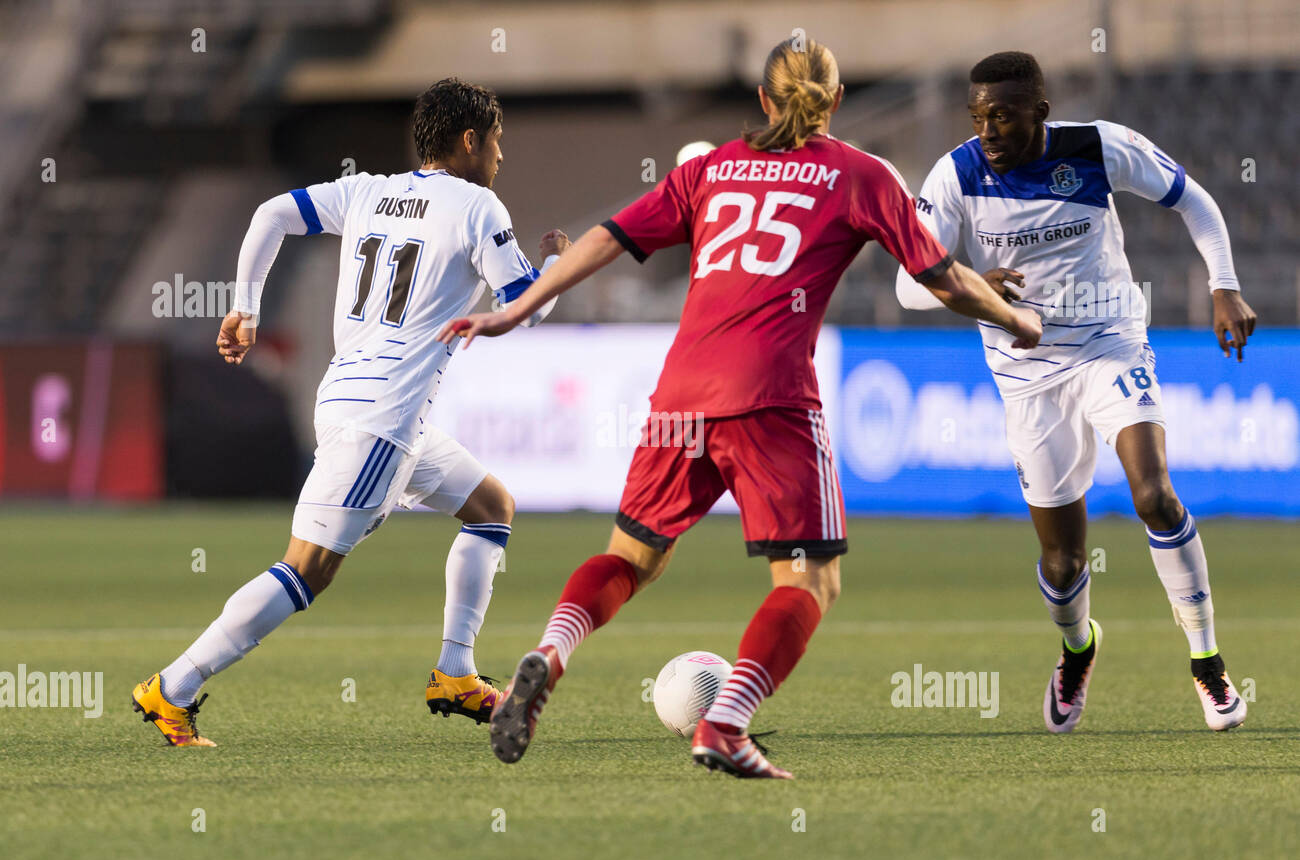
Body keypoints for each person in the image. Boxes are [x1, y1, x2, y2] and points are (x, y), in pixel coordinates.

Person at [437, 39, 1042, 778]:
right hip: (772, 397)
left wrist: (516, 309)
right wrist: (1019, 322)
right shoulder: (860, 175)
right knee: (809, 580)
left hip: (682, 392)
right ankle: (725, 725)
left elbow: (606, 238)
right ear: (838, 100)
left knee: (628, 557)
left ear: (762, 100)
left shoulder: (708, 168)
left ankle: (548, 652)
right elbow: (942, 278)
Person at [132, 78, 570, 746]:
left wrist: (246, 307)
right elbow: (527, 312)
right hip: (383, 422)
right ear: (470, 139)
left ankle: (455, 672)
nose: (502, 155)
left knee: (490, 507)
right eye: (499, 139)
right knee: (306, 570)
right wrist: (556, 264)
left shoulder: (367, 190)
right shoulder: (479, 208)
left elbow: (270, 215)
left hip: (353, 401)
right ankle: (174, 687)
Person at [895, 51, 1256, 733]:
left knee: (1155, 495)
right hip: (1028, 374)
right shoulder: (956, 175)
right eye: (978, 116)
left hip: (1111, 345)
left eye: (1002, 114)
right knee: (1062, 562)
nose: (989, 130)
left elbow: (1195, 201)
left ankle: (1207, 664)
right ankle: (1078, 648)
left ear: (1040, 110)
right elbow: (908, 285)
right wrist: (970, 287)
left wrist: (1224, 285)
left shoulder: (1097, 148)